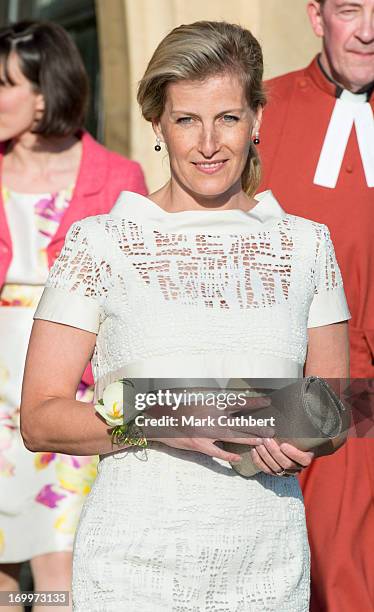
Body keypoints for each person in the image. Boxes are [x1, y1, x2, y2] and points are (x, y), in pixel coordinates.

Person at [21, 21, 349, 611]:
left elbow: (333, 408)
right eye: (186, 120)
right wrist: (168, 414)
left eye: (227, 117)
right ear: (157, 126)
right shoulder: (101, 243)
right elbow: (41, 418)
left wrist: (297, 434)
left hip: (268, 565)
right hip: (132, 567)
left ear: (257, 122)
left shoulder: (307, 246)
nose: (208, 144)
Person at [0, 20, 146, 612]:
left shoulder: (119, 180)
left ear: (45, 91)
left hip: (68, 383)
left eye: (3, 84)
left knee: (63, 556)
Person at [258, 1, 374, 610]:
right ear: (316, 16)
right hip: (296, 392)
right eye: (351, 10)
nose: (369, 30)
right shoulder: (260, 109)